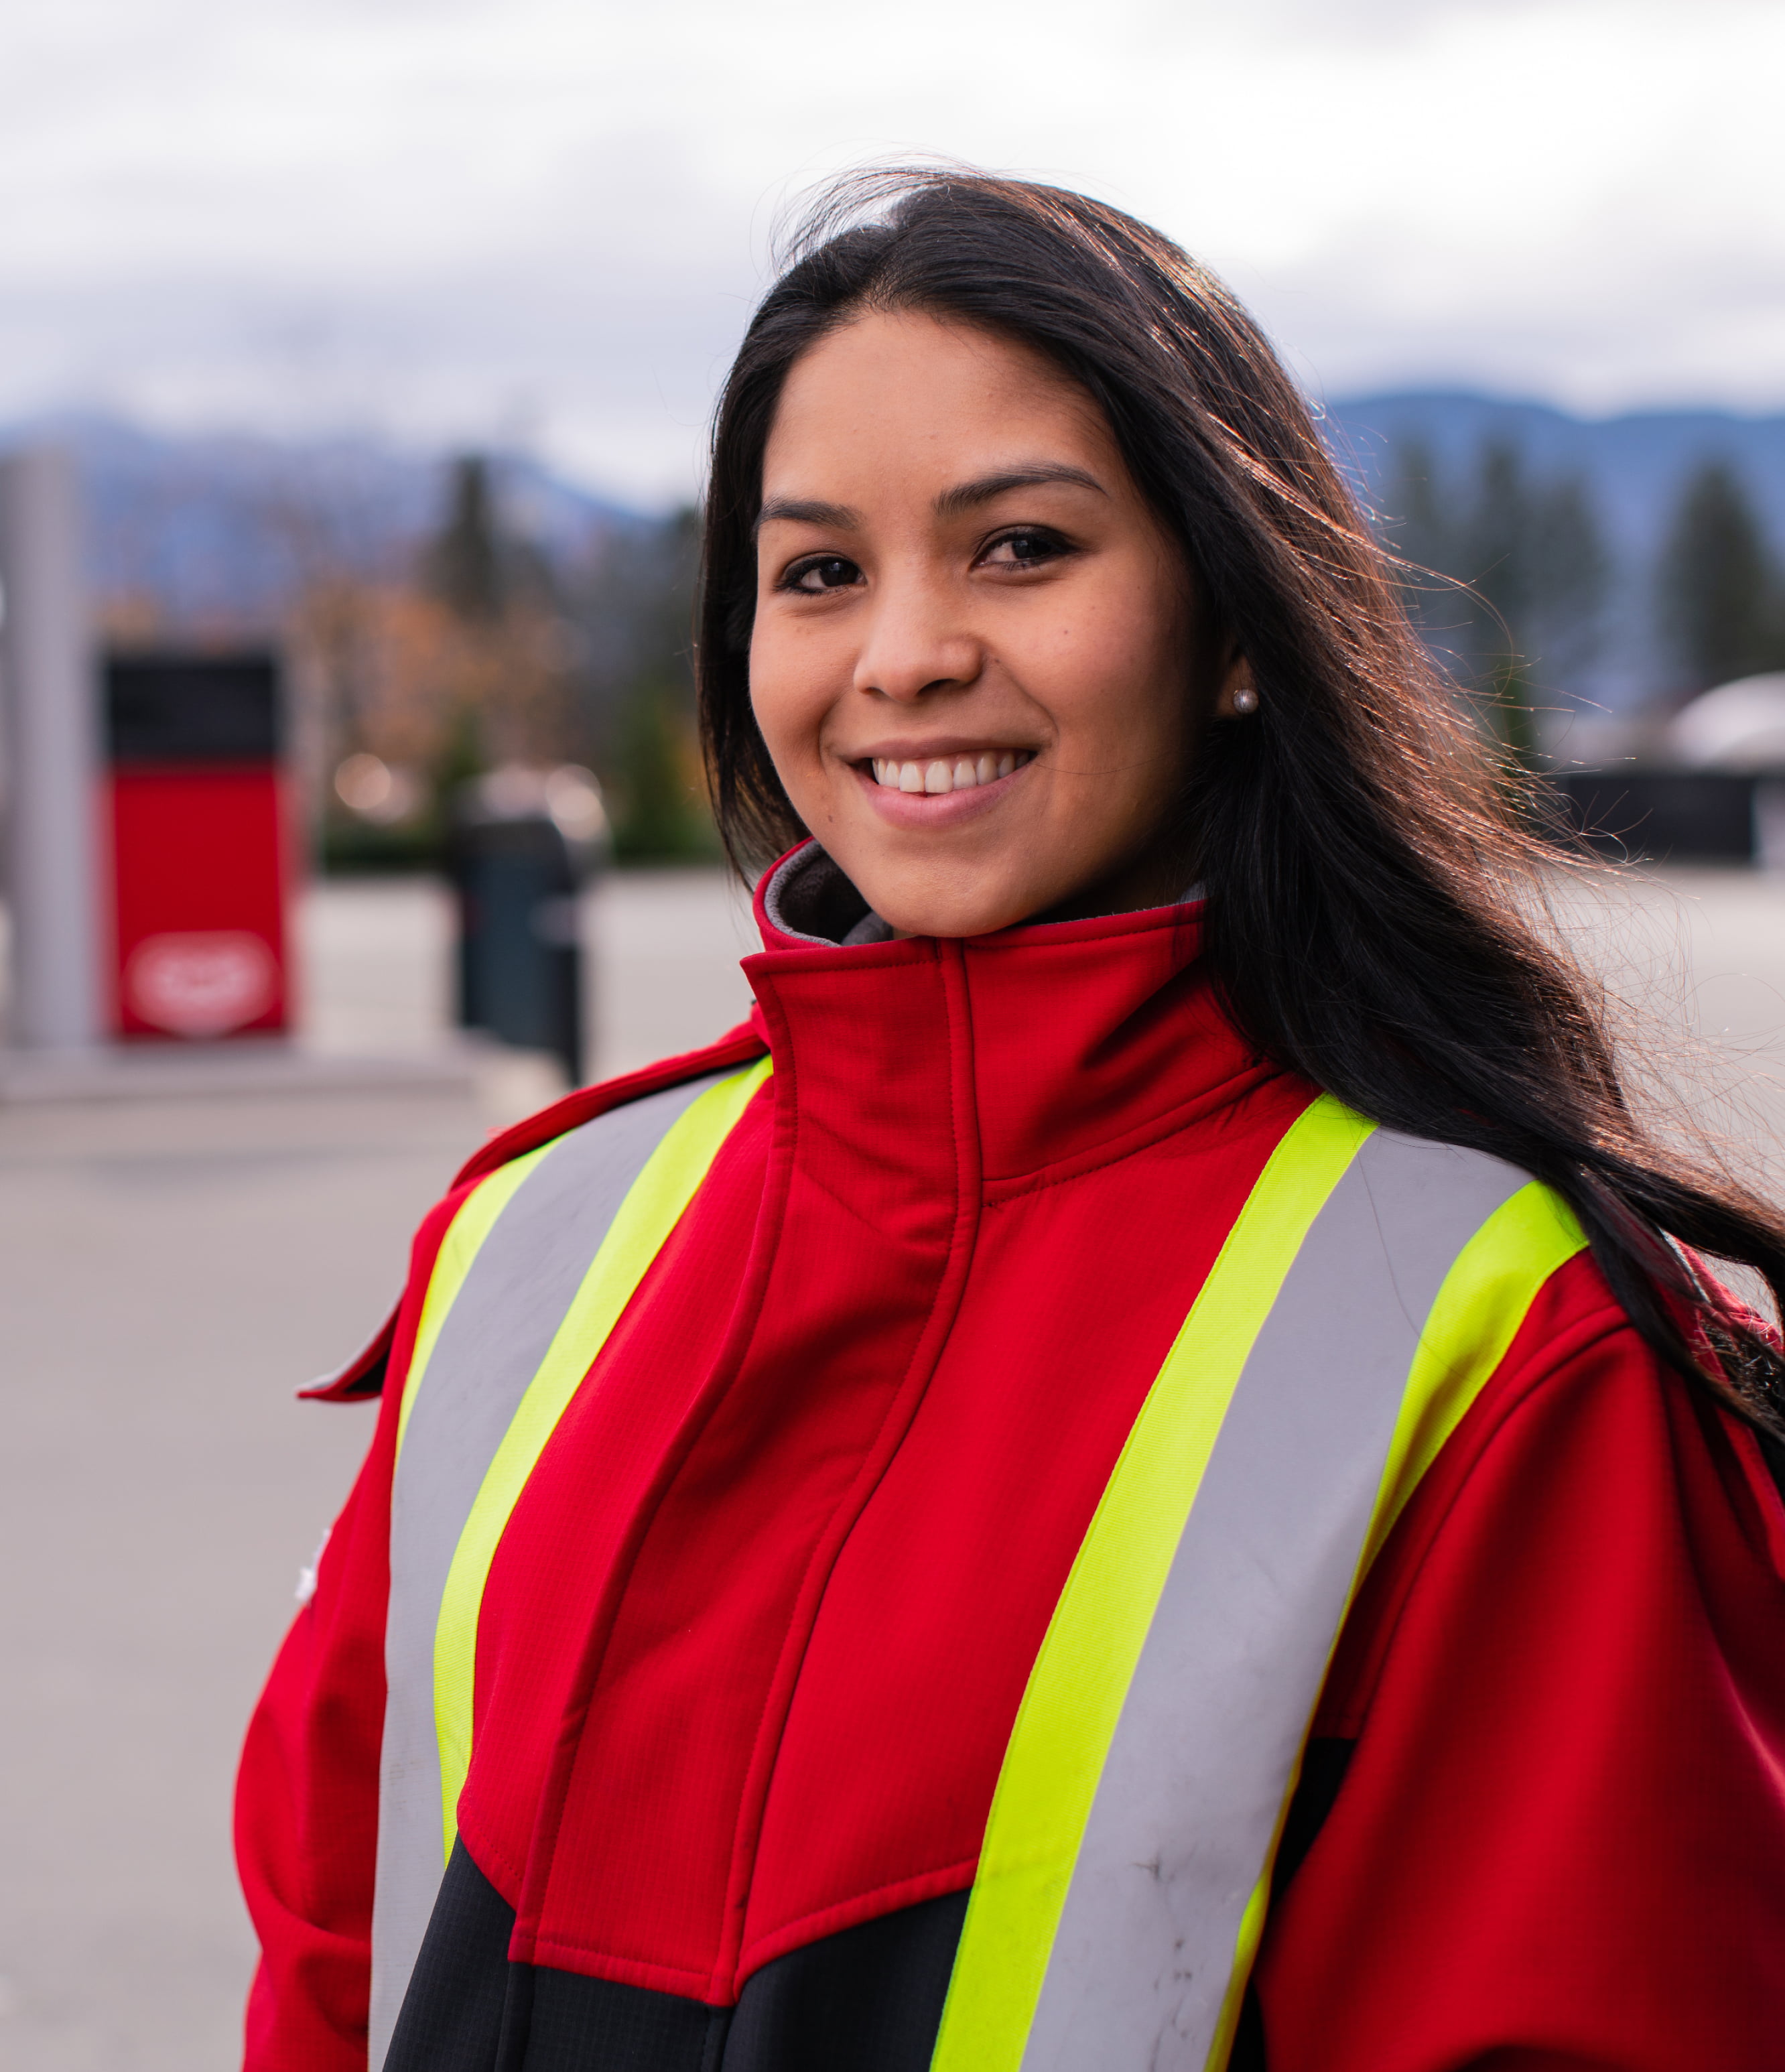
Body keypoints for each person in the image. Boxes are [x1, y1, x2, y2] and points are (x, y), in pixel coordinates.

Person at [235, 170, 1785, 2072]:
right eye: (817, 573)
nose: (902, 655)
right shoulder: (528, 1242)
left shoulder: (1497, 1333)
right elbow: (329, 1946)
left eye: (1022, 548)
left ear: (1233, 623)